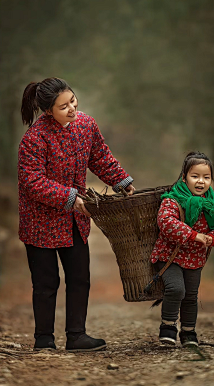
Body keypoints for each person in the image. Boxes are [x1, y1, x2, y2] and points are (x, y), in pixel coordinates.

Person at [18, 77, 135, 352]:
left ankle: (77, 336)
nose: (72, 109)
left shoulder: (86, 125)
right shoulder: (34, 139)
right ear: (48, 111)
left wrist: (122, 181)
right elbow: (33, 182)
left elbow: (100, 158)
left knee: (79, 277)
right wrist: (70, 198)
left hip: (75, 220)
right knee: (46, 282)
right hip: (40, 222)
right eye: (64, 106)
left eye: (73, 101)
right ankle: (43, 339)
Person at [151, 151, 214, 347]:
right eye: (195, 176)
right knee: (176, 289)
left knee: (191, 295)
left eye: (206, 177)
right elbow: (166, 222)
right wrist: (194, 235)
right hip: (169, 257)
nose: (200, 182)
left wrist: (213, 238)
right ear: (184, 177)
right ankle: (168, 328)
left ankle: (188, 332)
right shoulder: (173, 199)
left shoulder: (212, 203)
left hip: (195, 259)